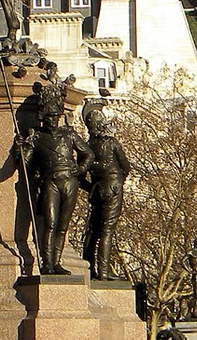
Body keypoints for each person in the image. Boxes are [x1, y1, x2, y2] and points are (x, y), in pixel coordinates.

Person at [16, 77, 91, 275]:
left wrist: (80, 169)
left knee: (63, 225)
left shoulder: (69, 134)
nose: (51, 119)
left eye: (54, 116)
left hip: (70, 181)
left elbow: (88, 154)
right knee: (50, 223)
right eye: (48, 116)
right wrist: (22, 147)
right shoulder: (37, 136)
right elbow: (24, 163)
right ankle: (47, 262)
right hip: (51, 181)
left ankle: (56, 262)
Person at [80, 108, 131, 281]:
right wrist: (118, 182)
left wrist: (92, 187)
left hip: (97, 189)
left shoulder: (88, 145)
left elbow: (81, 174)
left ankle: (88, 267)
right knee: (107, 230)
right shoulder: (112, 142)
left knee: (93, 231)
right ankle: (103, 271)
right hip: (112, 187)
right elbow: (125, 166)